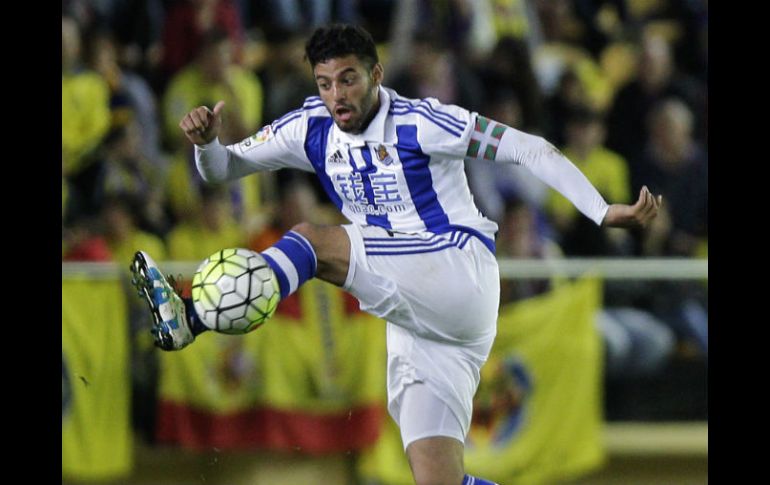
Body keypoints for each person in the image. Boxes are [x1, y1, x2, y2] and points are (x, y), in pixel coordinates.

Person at [130, 24, 661, 485]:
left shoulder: (421, 121)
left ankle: (192, 318)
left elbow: (527, 147)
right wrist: (206, 144)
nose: (336, 95)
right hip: (417, 317)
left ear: (376, 74)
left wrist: (600, 210)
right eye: (324, 83)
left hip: (455, 271)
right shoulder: (309, 127)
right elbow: (223, 171)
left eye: (348, 79)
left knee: (311, 240)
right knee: (437, 478)